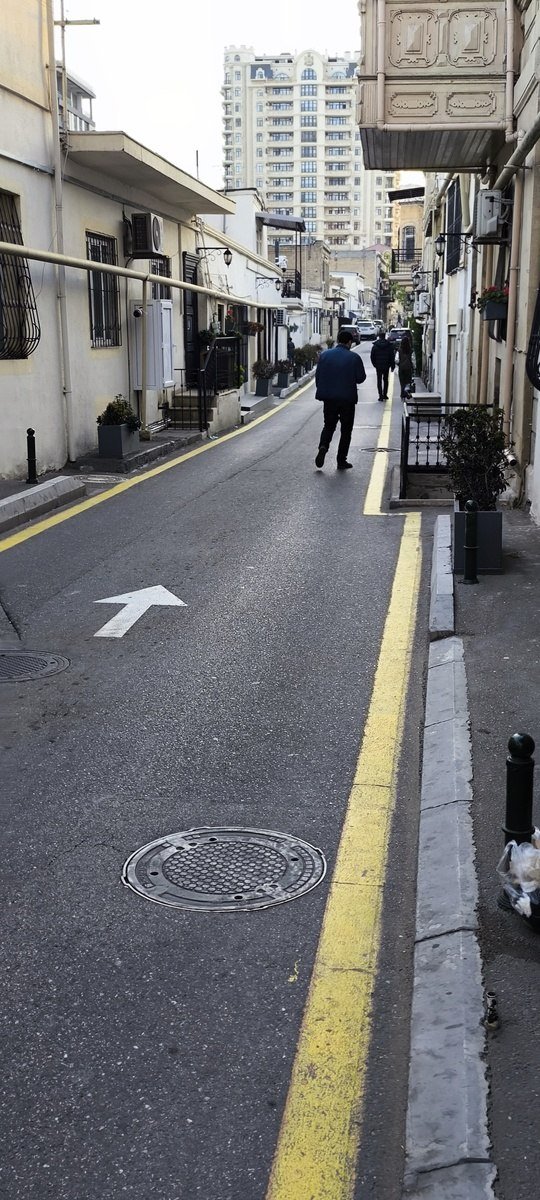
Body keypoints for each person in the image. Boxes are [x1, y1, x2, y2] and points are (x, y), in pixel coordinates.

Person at [314, 328, 366, 470]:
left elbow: (318, 376)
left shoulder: (325, 355)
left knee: (328, 426)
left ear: (338, 341)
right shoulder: (354, 357)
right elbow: (361, 378)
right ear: (349, 342)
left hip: (329, 399)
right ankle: (341, 460)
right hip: (347, 400)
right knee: (346, 430)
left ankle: (323, 446)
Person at [370, 329, 396, 401]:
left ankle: (380, 395)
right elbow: (392, 356)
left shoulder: (375, 346)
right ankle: (385, 394)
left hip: (378, 366)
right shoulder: (389, 345)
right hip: (386, 366)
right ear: (384, 337)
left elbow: (372, 356)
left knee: (379, 380)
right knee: (386, 380)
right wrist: (392, 366)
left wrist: (375, 364)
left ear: (379, 337)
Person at [398, 334, 414, 399]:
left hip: (401, 368)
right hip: (408, 368)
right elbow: (413, 359)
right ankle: (407, 393)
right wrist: (413, 367)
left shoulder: (399, 350)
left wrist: (399, 363)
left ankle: (402, 394)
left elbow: (396, 360)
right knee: (408, 382)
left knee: (402, 382)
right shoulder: (411, 350)